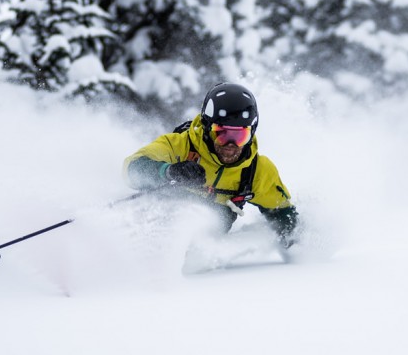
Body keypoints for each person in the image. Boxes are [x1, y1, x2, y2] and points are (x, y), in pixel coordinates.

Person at [123, 83, 299, 247]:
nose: (230, 145)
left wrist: (295, 243)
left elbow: (284, 215)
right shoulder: (180, 145)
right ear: (207, 129)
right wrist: (169, 171)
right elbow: (131, 169)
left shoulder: (256, 171)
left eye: (240, 137)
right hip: (156, 230)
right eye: (221, 134)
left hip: (206, 247)